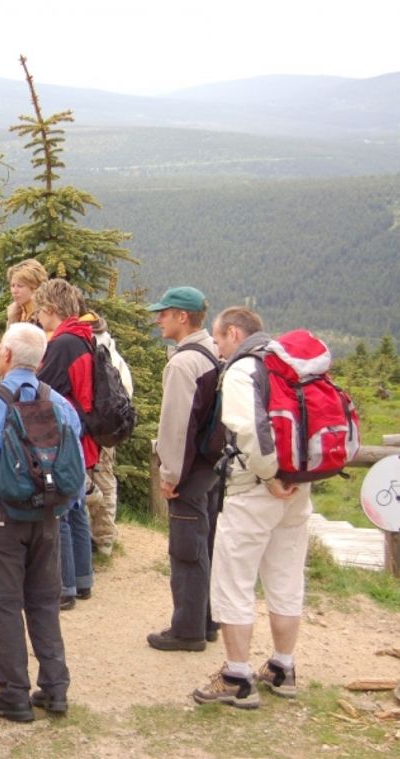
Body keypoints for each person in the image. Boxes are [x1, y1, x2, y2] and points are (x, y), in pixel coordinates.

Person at [0, 322, 80, 721]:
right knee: (44, 601)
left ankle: (13, 694)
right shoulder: (59, 403)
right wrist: (60, 509)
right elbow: (75, 467)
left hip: (2, 518)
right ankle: (55, 689)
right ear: (41, 360)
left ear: (6, 356)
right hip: (48, 518)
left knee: (5, 605)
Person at [194, 307, 312, 709]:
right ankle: (283, 667)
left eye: (218, 338)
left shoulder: (246, 369)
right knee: (285, 576)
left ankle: (237, 676)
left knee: (234, 580)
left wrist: (268, 475)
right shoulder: (289, 366)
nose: (217, 347)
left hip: (256, 488)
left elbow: (248, 430)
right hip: (300, 486)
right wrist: (289, 476)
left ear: (232, 332)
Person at [144, 287, 222, 652]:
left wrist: (169, 475)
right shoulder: (214, 352)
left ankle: (187, 630)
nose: (158, 319)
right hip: (211, 467)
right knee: (204, 544)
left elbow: (175, 425)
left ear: (182, 317)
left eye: (164, 313)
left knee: (186, 549)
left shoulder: (183, 363)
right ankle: (205, 621)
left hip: (189, 472)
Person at [32, 279, 96, 609]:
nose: (39, 319)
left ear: (52, 310)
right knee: (78, 507)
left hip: (64, 433)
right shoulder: (85, 337)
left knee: (63, 512)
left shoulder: (62, 344)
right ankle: (83, 579)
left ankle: (65, 586)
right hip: (84, 431)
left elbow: (44, 388)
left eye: (40, 312)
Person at [78, 310, 133, 557]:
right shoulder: (113, 354)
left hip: (97, 427)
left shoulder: (95, 354)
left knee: (99, 478)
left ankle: (102, 537)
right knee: (103, 477)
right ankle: (104, 538)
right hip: (110, 428)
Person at [6, 259, 49, 327]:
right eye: (13, 285)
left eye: (20, 286)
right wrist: (11, 320)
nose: (14, 291)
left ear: (35, 287)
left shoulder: (44, 316)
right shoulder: (17, 313)